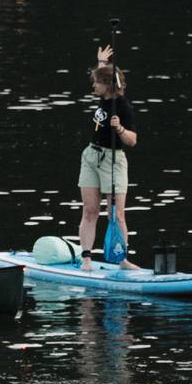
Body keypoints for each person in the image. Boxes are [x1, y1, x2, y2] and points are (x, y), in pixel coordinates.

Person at [75, 63, 137, 257]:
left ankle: (121, 259)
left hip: (113, 160)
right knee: (90, 210)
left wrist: (119, 129)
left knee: (116, 216)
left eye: (96, 83)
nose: (93, 86)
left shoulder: (123, 107)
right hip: (91, 156)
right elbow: (108, 75)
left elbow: (132, 140)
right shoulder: (103, 98)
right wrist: (101, 62)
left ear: (108, 85)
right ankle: (86, 257)